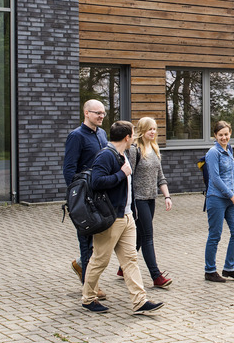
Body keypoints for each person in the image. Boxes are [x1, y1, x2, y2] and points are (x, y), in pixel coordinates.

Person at [84, 120, 164, 315]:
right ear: (127, 137)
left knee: (130, 259)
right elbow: (96, 182)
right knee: (100, 260)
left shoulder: (123, 154)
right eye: (132, 134)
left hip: (127, 216)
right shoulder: (106, 156)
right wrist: (120, 174)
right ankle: (88, 298)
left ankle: (140, 301)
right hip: (111, 218)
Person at [62, 100, 109, 299]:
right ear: (86, 113)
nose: (100, 116)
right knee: (86, 239)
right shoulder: (76, 136)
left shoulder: (102, 134)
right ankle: (90, 287)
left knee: (99, 239)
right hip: (85, 196)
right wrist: (77, 196)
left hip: (101, 193)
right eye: (97, 113)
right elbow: (69, 169)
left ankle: (82, 265)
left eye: (103, 113)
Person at [125, 116, 173, 289]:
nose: (153, 132)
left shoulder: (154, 148)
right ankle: (156, 276)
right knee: (147, 237)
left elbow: (160, 177)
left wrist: (167, 197)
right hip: (138, 200)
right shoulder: (133, 150)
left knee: (139, 236)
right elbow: (127, 176)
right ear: (142, 130)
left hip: (151, 198)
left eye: (155, 129)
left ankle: (121, 269)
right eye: (149, 129)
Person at [204, 120, 234, 282]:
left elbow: (233, 173)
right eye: (220, 135)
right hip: (216, 199)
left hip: (231, 199)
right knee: (215, 235)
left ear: (230, 134)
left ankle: (229, 267)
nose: (224, 137)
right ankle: (210, 270)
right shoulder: (213, 153)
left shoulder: (229, 149)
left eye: (226, 134)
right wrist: (231, 195)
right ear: (215, 135)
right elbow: (215, 178)